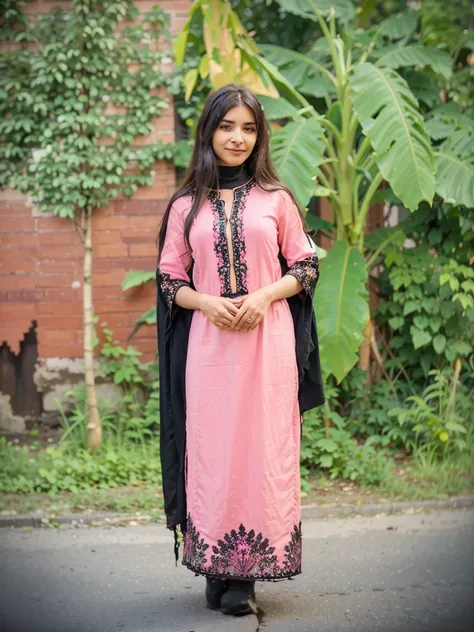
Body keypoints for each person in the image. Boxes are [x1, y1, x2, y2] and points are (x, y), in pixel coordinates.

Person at [156, 84, 324, 617]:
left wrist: (266, 295)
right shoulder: (186, 205)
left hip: (267, 349)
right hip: (208, 351)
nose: (238, 137)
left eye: (248, 128)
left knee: (260, 453)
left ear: (260, 136)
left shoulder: (278, 200)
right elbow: (168, 277)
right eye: (227, 126)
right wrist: (205, 301)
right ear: (207, 131)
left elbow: (306, 265)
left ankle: (243, 577)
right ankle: (215, 564)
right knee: (214, 453)